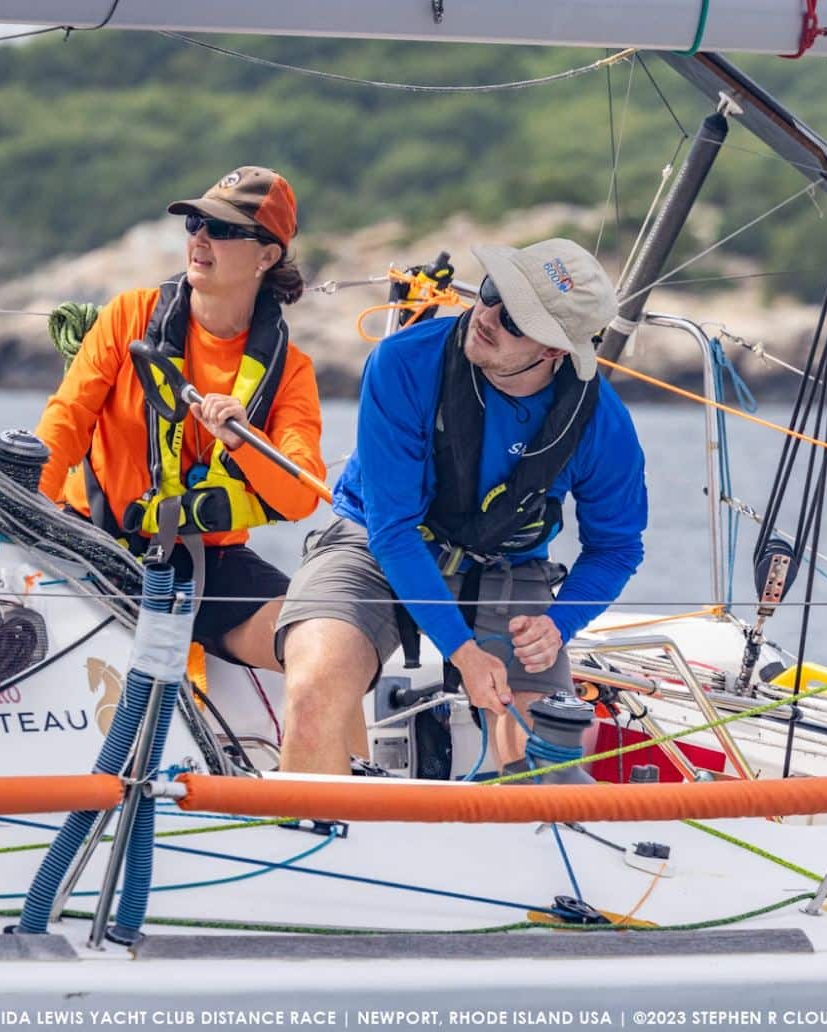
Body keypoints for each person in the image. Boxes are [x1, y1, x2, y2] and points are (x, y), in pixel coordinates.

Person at [275, 239, 648, 775]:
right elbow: (393, 531)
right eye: (495, 292)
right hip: (374, 544)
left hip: (504, 566)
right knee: (313, 694)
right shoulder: (402, 362)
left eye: (518, 319)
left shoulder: (602, 425)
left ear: (555, 351)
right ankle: (318, 838)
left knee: (545, 754)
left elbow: (616, 548)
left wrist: (557, 625)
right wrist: (462, 651)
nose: (489, 317)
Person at [34, 166, 326, 671]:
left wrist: (243, 440)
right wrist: (26, 513)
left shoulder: (292, 371)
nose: (202, 238)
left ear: (267, 256)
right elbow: (67, 419)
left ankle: (332, 753)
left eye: (225, 229)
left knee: (324, 646)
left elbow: (303, 496)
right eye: (195, 225)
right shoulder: (129, 316)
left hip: (205, 567)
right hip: (97, 541)